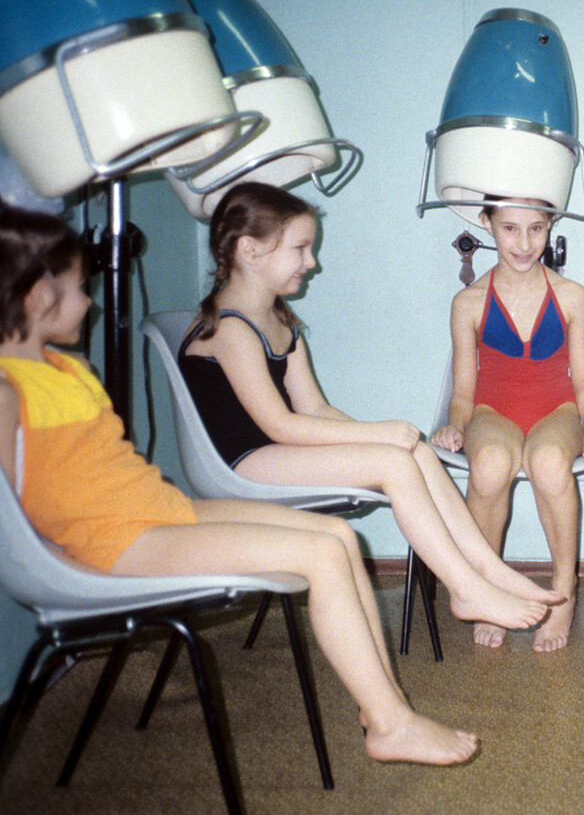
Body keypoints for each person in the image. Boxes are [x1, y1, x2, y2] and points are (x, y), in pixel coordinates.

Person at [0, 204, 476, 765]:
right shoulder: (8, 388)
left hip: (154, 510)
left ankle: (385, 708)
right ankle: (392, 727)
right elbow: (13, 511)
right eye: (81, 288)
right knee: (321, 557)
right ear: (37, 298)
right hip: (114, 540)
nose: (92, 301)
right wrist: (63, 557)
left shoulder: (68, 370)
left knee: (339, 537)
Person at [178, 183, 561, 640]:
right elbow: (278, 424)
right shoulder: (230, 327)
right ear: (251, 249)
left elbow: (315, 408)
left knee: (415, 451)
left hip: (278, 449)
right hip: (242, 460)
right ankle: (465, 588)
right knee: (391, 459)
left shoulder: (277, 319)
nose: (311, 261)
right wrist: (378, 436)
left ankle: (488, 569)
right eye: (301, 248)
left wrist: (384, 435)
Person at [432, 197, 584, 652]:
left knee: (550, 462)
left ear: (551, 226)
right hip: (492, 411)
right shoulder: (468, 302)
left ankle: (563, 592)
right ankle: (487, 585)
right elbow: (462, 392)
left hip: (559, 410)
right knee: (490, 463)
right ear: (487, 224)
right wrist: (455, 426)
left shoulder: (573, 296)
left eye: (536, 228)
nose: (524, 242)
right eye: (510, 228)